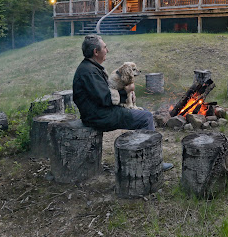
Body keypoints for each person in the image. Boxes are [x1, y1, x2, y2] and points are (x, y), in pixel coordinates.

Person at [73, 35, 173, 170]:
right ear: (96, 52)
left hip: (98, 112)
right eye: (104, 47)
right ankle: (152, 162)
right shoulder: (89, 72)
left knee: (141, 112)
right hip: (99, 116)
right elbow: (106, 99)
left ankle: (139, 157)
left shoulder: (90, 68)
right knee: (146, 117)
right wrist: (126, 90)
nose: (107, 50)